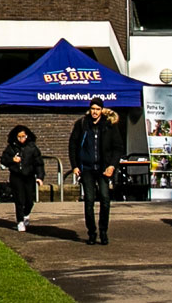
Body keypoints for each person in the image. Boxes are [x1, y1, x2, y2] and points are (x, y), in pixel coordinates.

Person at [69, 97, 124, 245]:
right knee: (89, 200)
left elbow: (118, 148)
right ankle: (92, 232)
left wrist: (112, 165)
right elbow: (73, 145)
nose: (95, 112)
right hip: (86, 168)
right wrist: (75, 165)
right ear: (90, 109)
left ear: (102, 110)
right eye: (93, 109)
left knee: (105, 199)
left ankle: (103, 231)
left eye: (98, 109)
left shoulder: (109, 125)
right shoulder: (81, 124)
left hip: (103, 168)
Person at [1, 124, 45, 232]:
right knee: (19, 199)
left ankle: (26, 213)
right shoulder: (11, 147)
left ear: (27, 136)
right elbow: (3, 160)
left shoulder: (32, 147)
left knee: (29, 200)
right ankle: (20, 221)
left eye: (23, 136)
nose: (21, 139)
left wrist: (40, 177)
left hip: (29, 176)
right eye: (19, 137)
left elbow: (38, 163)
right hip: (16, 176)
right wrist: (12, 159)